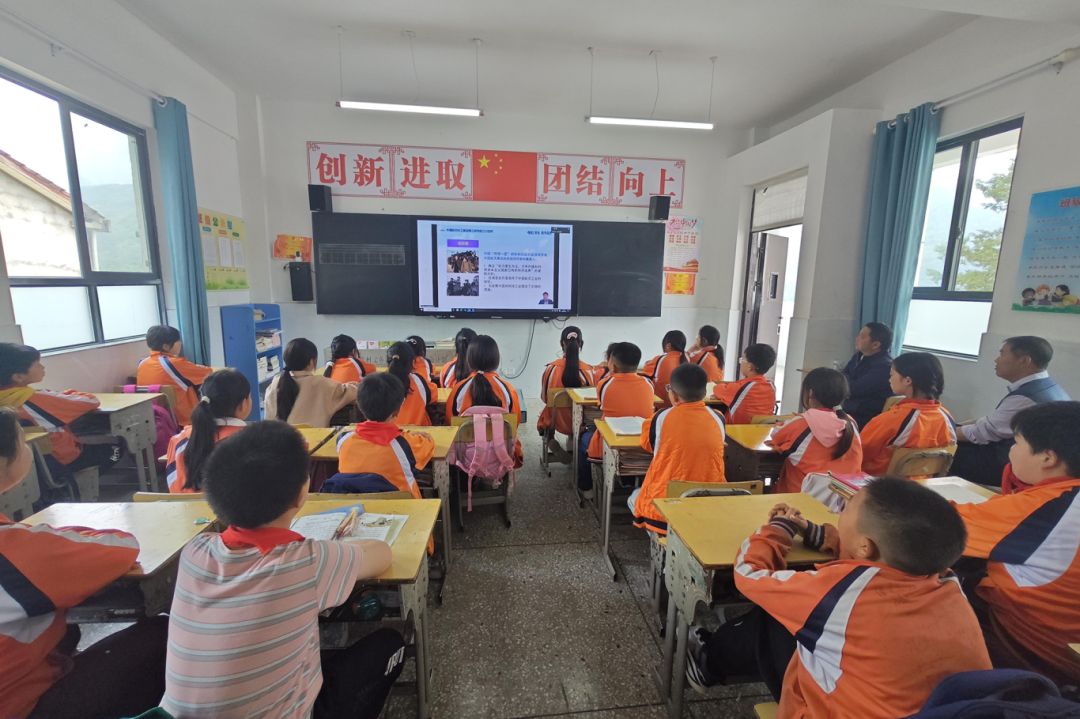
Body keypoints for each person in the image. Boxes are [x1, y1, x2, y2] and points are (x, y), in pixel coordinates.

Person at [685, 478, 992, 716]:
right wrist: (815, 533)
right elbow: (875, 559)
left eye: (845, 509)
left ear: (865, 546)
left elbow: (749, 574)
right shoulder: (947, 581)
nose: (838, 513)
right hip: (936, 708)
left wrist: (777, 529)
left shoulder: (841, 598)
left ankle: (707, 662)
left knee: (773, 616)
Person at [160, 421, 404, 718]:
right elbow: (382, 553)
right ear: (301, 494)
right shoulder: (307, 561)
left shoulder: (193, 552)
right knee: (392, 644)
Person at [0, 409, 168, 719]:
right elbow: (121, 549)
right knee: (163, 633)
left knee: (66, 635)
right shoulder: (16, 552)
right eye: (22, 440)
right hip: (21, 708)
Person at [955, 402, 1080, 686]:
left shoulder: (1044, 509)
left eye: (1017, 442)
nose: (1011, 451)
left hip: (1038, 657)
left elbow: (937, 523)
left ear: (1047, 458)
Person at [0, 343, 121, 490]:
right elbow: (91, 401)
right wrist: (67, 393)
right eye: (37, 365)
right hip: (64, 459)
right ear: (18, 377)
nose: (43, 367)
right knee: (116, 450)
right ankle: (76, 485)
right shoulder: (34, 400)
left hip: (27, 467)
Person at [952, 336, 1070, 486]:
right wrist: (952, 426)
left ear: (1024, 360)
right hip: (1027, 458)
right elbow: (991, 422)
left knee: (938, 452)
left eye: (1002, 354)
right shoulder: (1048, 387)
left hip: (1006, 463)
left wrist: (937, 433)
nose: (996, 360)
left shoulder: (1026, 398)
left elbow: (980, 433)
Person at [629, 363, 726, 535]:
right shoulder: (718, 418)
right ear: (705, 393)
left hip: (665, 511)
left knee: (633, 497)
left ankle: (664, 545)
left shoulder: (659, 418)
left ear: (673, 395)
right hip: (709, 504)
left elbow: (647, 445)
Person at [336, 372, 435, 498]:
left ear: (360, 407)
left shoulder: (343, 440)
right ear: (397, 412)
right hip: (404, 507)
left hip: (356, 507)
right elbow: (429, 442)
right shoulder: (407, 444)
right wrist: (406, 433)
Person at [860, 352, 957, 476]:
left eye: (891, 375)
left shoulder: (891, 420)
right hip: (924, 483)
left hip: (879, 483)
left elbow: (858, 454)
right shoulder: (947, 417)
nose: (889, 379)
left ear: (907, 380)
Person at [579, 342, 655, 499]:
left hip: (611, 442)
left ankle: (586, 488)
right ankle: (628, 481)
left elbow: (602, 407)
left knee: (583, 439)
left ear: (612, 365)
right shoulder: (648, 383)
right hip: (644, 445)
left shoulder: (605, 383)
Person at [768, 367, 862, 493]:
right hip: (843, 499)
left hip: (799, 499)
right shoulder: (851, 423)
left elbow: (776, 435)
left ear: (810, 393)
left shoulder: (802, 423)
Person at [166, 369, 251, 493]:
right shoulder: (249, 441)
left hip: (183, 505)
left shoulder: (179, 440)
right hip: (227, 506)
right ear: (243, 404)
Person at [445, 334, 523, 467]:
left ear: (469, 360)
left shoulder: (458, 389)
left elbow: (450, 423)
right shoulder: (508, 390)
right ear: (497, 361)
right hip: (502, 456)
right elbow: (514, 424)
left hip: (464, 459)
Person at [264, 338, 357, 427]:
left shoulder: (275, 383)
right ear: (312, 362)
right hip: (313, 437)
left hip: (276, 437)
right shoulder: (321, 383)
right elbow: (352, 392)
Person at [137, 324, 213, 425]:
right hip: (181, 420)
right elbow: (208, 373)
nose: (180, 343)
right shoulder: (173, 363)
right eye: (177, 341)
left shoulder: (143, 363)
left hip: (154, 417)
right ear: (166, 346)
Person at [537, 326, 594, 448]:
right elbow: (590, 403)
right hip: (579, 421)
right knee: (581, 411)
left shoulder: (551, 368)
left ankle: (550, 438)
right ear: (581, 344)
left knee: (548, 408)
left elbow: (545, 398)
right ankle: (574, 441)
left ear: (561, 343)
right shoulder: (588, 370)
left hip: (555, 419)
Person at [841, 322, 895, 429]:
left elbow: (854, 388)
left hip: (865, 417)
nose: (857, 339)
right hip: (848, 410)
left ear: (875, 345)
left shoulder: (885, 366)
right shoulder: (858, 356)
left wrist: (844, 382)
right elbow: (840, 378)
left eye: (862, 336)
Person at [712, 343, 777, 424]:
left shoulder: (742, 387)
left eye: (742, 360)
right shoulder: (771, 387)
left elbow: (717, 389)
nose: (741, 363)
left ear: (750, 366)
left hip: (734, 430)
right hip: (761, 430)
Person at [385, 341, 436, 426]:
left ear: (388, 362)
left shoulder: (379, 383)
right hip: (417, 432)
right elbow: (433, 397)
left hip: (388, 433)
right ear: (413, 362)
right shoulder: (420, 381)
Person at [644, 330, 689, 410]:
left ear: (669, 346)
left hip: (660, 405)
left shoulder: (660, 359)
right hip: (680, 405)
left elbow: (646, 371)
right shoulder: (687, 359)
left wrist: (648, 363)